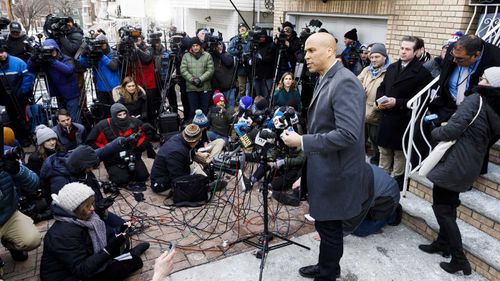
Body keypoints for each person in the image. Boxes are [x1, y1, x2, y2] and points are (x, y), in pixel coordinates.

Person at [282, 32, 373, 280]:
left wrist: (302, 141)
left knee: (330, 229)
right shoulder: (325, 77)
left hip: (338, 173)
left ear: (330, 51)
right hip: (325, 167)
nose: (306, 56)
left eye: (312, 51)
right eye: (305, 51)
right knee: (323, 224)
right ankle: (325, 267)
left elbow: (348, 134)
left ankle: (328, 274)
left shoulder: (345, 81)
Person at [419, 67, 500, 276]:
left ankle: (459, 259)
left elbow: (453, 129)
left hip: (455, 161)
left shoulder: (476, 99)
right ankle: (443, 243)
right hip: (471, 162)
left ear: (492, 84)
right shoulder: (496, 108)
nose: (480, 80)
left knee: (442, 208)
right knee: (450, 204)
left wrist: (434, 130)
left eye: (484, 78)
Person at [40, 182, 149, 281]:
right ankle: (129, 258)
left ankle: (126, 256)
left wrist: (118, 232)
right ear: (75, 209)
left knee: (119, 243)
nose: (92, 208)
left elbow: (104, 237)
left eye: (92, 204)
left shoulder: (86, 218)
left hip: (81, 263)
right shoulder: (63, 234)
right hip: (66, 276)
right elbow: (82, 270)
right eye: (87, 206)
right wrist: (108, 250)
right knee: (125, 266)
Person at [376, 36, 432, 184]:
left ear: (417, 51)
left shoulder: (422, 73)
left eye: (407, 49)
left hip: (403, 120)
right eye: (402, 48)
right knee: (384, 154)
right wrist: (379, 99)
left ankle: (394, 186)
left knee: (400, 156)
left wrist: (397, 102)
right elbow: (382, 87)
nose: (403, 52)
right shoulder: (392, 67)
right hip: (386, 118)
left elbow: (421, 100)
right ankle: (381, 184)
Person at [86, 103, 151, 189]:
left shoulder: (135, 122)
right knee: (121, 181)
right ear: (113, 115)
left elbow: (145, 135)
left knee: (143, 176)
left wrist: (138, 149)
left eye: (124, 114)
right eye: (119, 115)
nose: (123, 117)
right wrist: (107, 152)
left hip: (133, 155)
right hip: (114, 160)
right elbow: (91, 142)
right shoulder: (103, 125)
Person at [0, 152, 41, 265]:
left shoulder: (5, 156)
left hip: (8, 215)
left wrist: (18, 171)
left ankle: (10, 242)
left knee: (32, 240)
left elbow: (34, 183)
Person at [28, 39, 81, 122]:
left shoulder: (66, 59)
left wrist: (52, 61)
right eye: (47, 51)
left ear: (57, 49)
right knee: (62, 119)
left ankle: (77, 133)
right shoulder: (45, 61)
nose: (50, 53)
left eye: (52, 51)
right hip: (58, 94)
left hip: (71, 94)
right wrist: (33, 59)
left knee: (73, 119)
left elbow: (69, 71)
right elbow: (30, 69)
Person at [357, 43, 389, 166]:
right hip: (363, 113)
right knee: (360, 143)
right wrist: (359, 87)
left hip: (376, 114)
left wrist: (377, 106)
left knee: (376, 145)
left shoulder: (388, 72)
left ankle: (376, 167)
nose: (374, 60)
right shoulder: (367, 70)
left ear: (384, 57)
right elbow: (356, 82)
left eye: (377, 57)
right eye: (372, 57)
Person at [150, 124, 204, 193]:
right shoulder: (177, 152)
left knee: (196, 169)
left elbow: (189, 150)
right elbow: (178, 178)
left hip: (171, 172)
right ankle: (207, 185)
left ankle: (206, 180)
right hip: (161, 183)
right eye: (199, 140)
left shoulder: (179, 138)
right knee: (195, 182)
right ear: (195, 141)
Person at [79, 33, 121, 118]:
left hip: (114, 88)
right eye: (99, 45)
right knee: (104, 113)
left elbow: (114, 67)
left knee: (116, 112)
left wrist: (101, 56)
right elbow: (85, 65)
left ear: (106, 43)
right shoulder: (94, 54)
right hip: (101, 88)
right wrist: (83, 55)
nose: (101, 47)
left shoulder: (113, 53)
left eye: (102, 44)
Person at [0, 47, 35, 147]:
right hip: (6, 98)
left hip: (19, 97)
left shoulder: (17, 62)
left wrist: (23, 91)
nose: (0, 55)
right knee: (12, 119)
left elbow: (28, 76)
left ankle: (26, 137)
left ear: (6, 52)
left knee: (23, 118)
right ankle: (17, 138)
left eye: (2, 52)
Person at [180, 37, 214, 118]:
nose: (195, 47)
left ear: (200, 46)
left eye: (197, 45)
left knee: (205, 110)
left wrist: (200, 79)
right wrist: (192, 79)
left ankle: (205, 129)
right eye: (193, 46)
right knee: (193, 110)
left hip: (205, 87)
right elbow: (183, 70)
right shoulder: (186, 56)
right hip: (192, 88)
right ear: (191, 47)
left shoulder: (207, 55)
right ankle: (194, 129)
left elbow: (210, 70)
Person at [228, 23, 252, 99]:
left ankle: (251, 102)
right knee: (242, 87)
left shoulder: (251, 39)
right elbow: (229, 50)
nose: (242, 29)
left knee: (252, 86)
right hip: (241, 65)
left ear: (247, 29)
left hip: (251, 65)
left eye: (243, 27)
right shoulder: (235, 39)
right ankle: (241, 103)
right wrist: (238, 51)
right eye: (240, 27)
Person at [211, 41, 237, 108]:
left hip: (228, 87)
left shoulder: (228, 55)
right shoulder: (211, 56)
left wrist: (220, 53)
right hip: (217, 88)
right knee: (218, 109)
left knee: (230, 108)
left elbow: (228, 62)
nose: (219, 47)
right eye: (217, 46)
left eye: (221, 46)